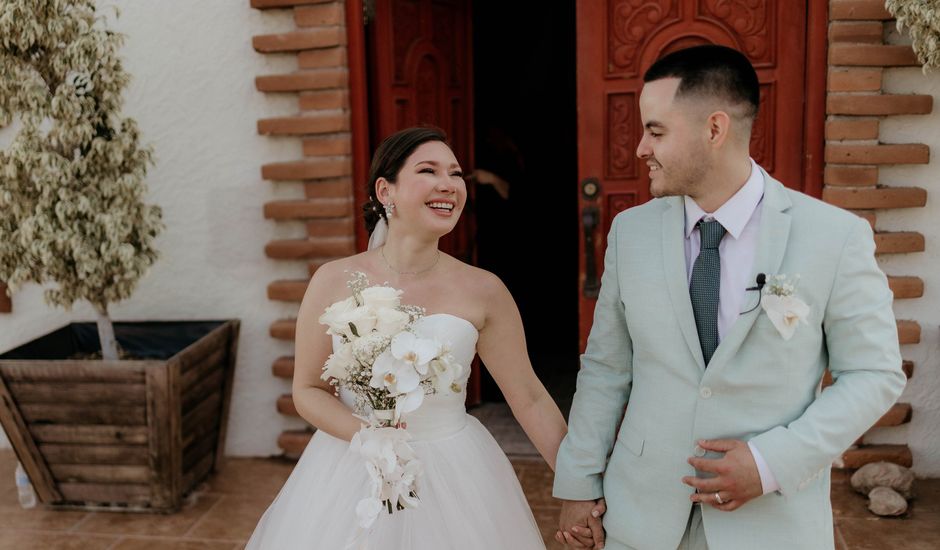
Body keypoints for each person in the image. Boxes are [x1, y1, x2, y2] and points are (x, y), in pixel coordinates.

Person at [553, 45, 906, 550]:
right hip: (641, 518)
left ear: (714, 130)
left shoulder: (835, 235)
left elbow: (874, 374)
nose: (639, 149)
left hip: (771, 524)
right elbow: (607, 367)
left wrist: (770, 463)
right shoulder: (629, 233)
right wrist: (577, 485)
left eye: (655, 131)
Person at [247, 126, 604, 549]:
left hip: (454, 470)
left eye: (455, 175)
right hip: (350, 465)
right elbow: (308, 390)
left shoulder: (484, 289)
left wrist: (578, 487)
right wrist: (370, 439)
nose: (448, 185)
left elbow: (528, 397)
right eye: (428, 170)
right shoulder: (332, 280)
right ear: (386, 190)